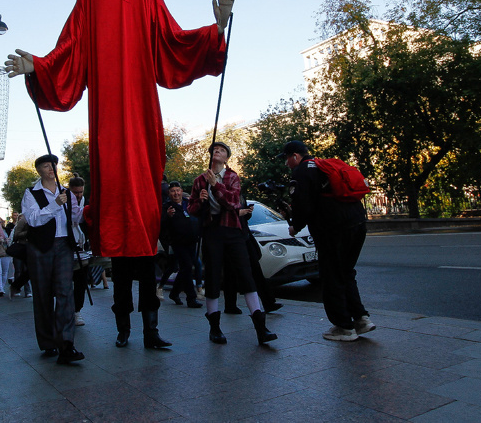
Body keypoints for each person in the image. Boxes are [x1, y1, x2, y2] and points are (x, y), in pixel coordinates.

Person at [4, 0, 235, 349]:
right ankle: (127, 329)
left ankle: (149, 329)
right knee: (116, 209)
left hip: (142, 101)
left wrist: (215, 30)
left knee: (145, 217)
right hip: (108, 103)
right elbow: (74, 37)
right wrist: (41, 66)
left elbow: (167, 33)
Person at [281, 140, 375, 342]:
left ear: (295, 156)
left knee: (331, 275)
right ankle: (361, 319)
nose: (287, 164)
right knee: (346, 272)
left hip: (333, 229)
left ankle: (344, 327)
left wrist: (294, 225)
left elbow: (304, 206)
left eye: (287, 159)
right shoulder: (323, 165)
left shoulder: (301, 171)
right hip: (357, 223)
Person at [189, 142, 276, 346]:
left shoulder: (232, 177)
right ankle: (215, 327)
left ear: (226, 158)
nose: (217, 152)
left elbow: (233, 203)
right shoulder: (199, 180)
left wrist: (215, 185)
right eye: (215, 150)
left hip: (233, 232)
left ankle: (261, 327)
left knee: (245, 276)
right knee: (212, 277)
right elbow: (191, 208)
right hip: (212, 233)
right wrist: (200, 201)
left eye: (222, 150)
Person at [21, 154, 84, 364]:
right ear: (38, 170)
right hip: (40, 248)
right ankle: (48, 341)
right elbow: (32, 219)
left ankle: (66, 344)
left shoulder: (66, 192)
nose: (51, 169)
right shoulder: (31, 193)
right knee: (43, 294)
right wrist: (55, 204)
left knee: (66, 292)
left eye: (53, 166)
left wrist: (78, 204)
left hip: (64, 245)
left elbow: (75, 218)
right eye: (47, 166)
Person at [160, 182, 202, 308]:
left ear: (181, 191)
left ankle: (174, 292)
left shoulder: (188, 202)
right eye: (173, 191)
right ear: (169, 193)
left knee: (186, 268)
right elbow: (161, 224)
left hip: (191, 240)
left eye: (177, 190)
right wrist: (168, 216)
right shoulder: (166, 207)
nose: (176, 193)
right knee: (187, 267)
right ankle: (191, 298)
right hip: (178, 242)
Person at [67, 177, 91, 326]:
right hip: (66, 244)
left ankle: (77, 310)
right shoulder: (64, 201)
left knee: (81, 280)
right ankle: (66, 309)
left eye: (80, 192)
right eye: (75, 192)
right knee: (65, 281)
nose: (78, 195)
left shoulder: (86, 202)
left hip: (82, 245)